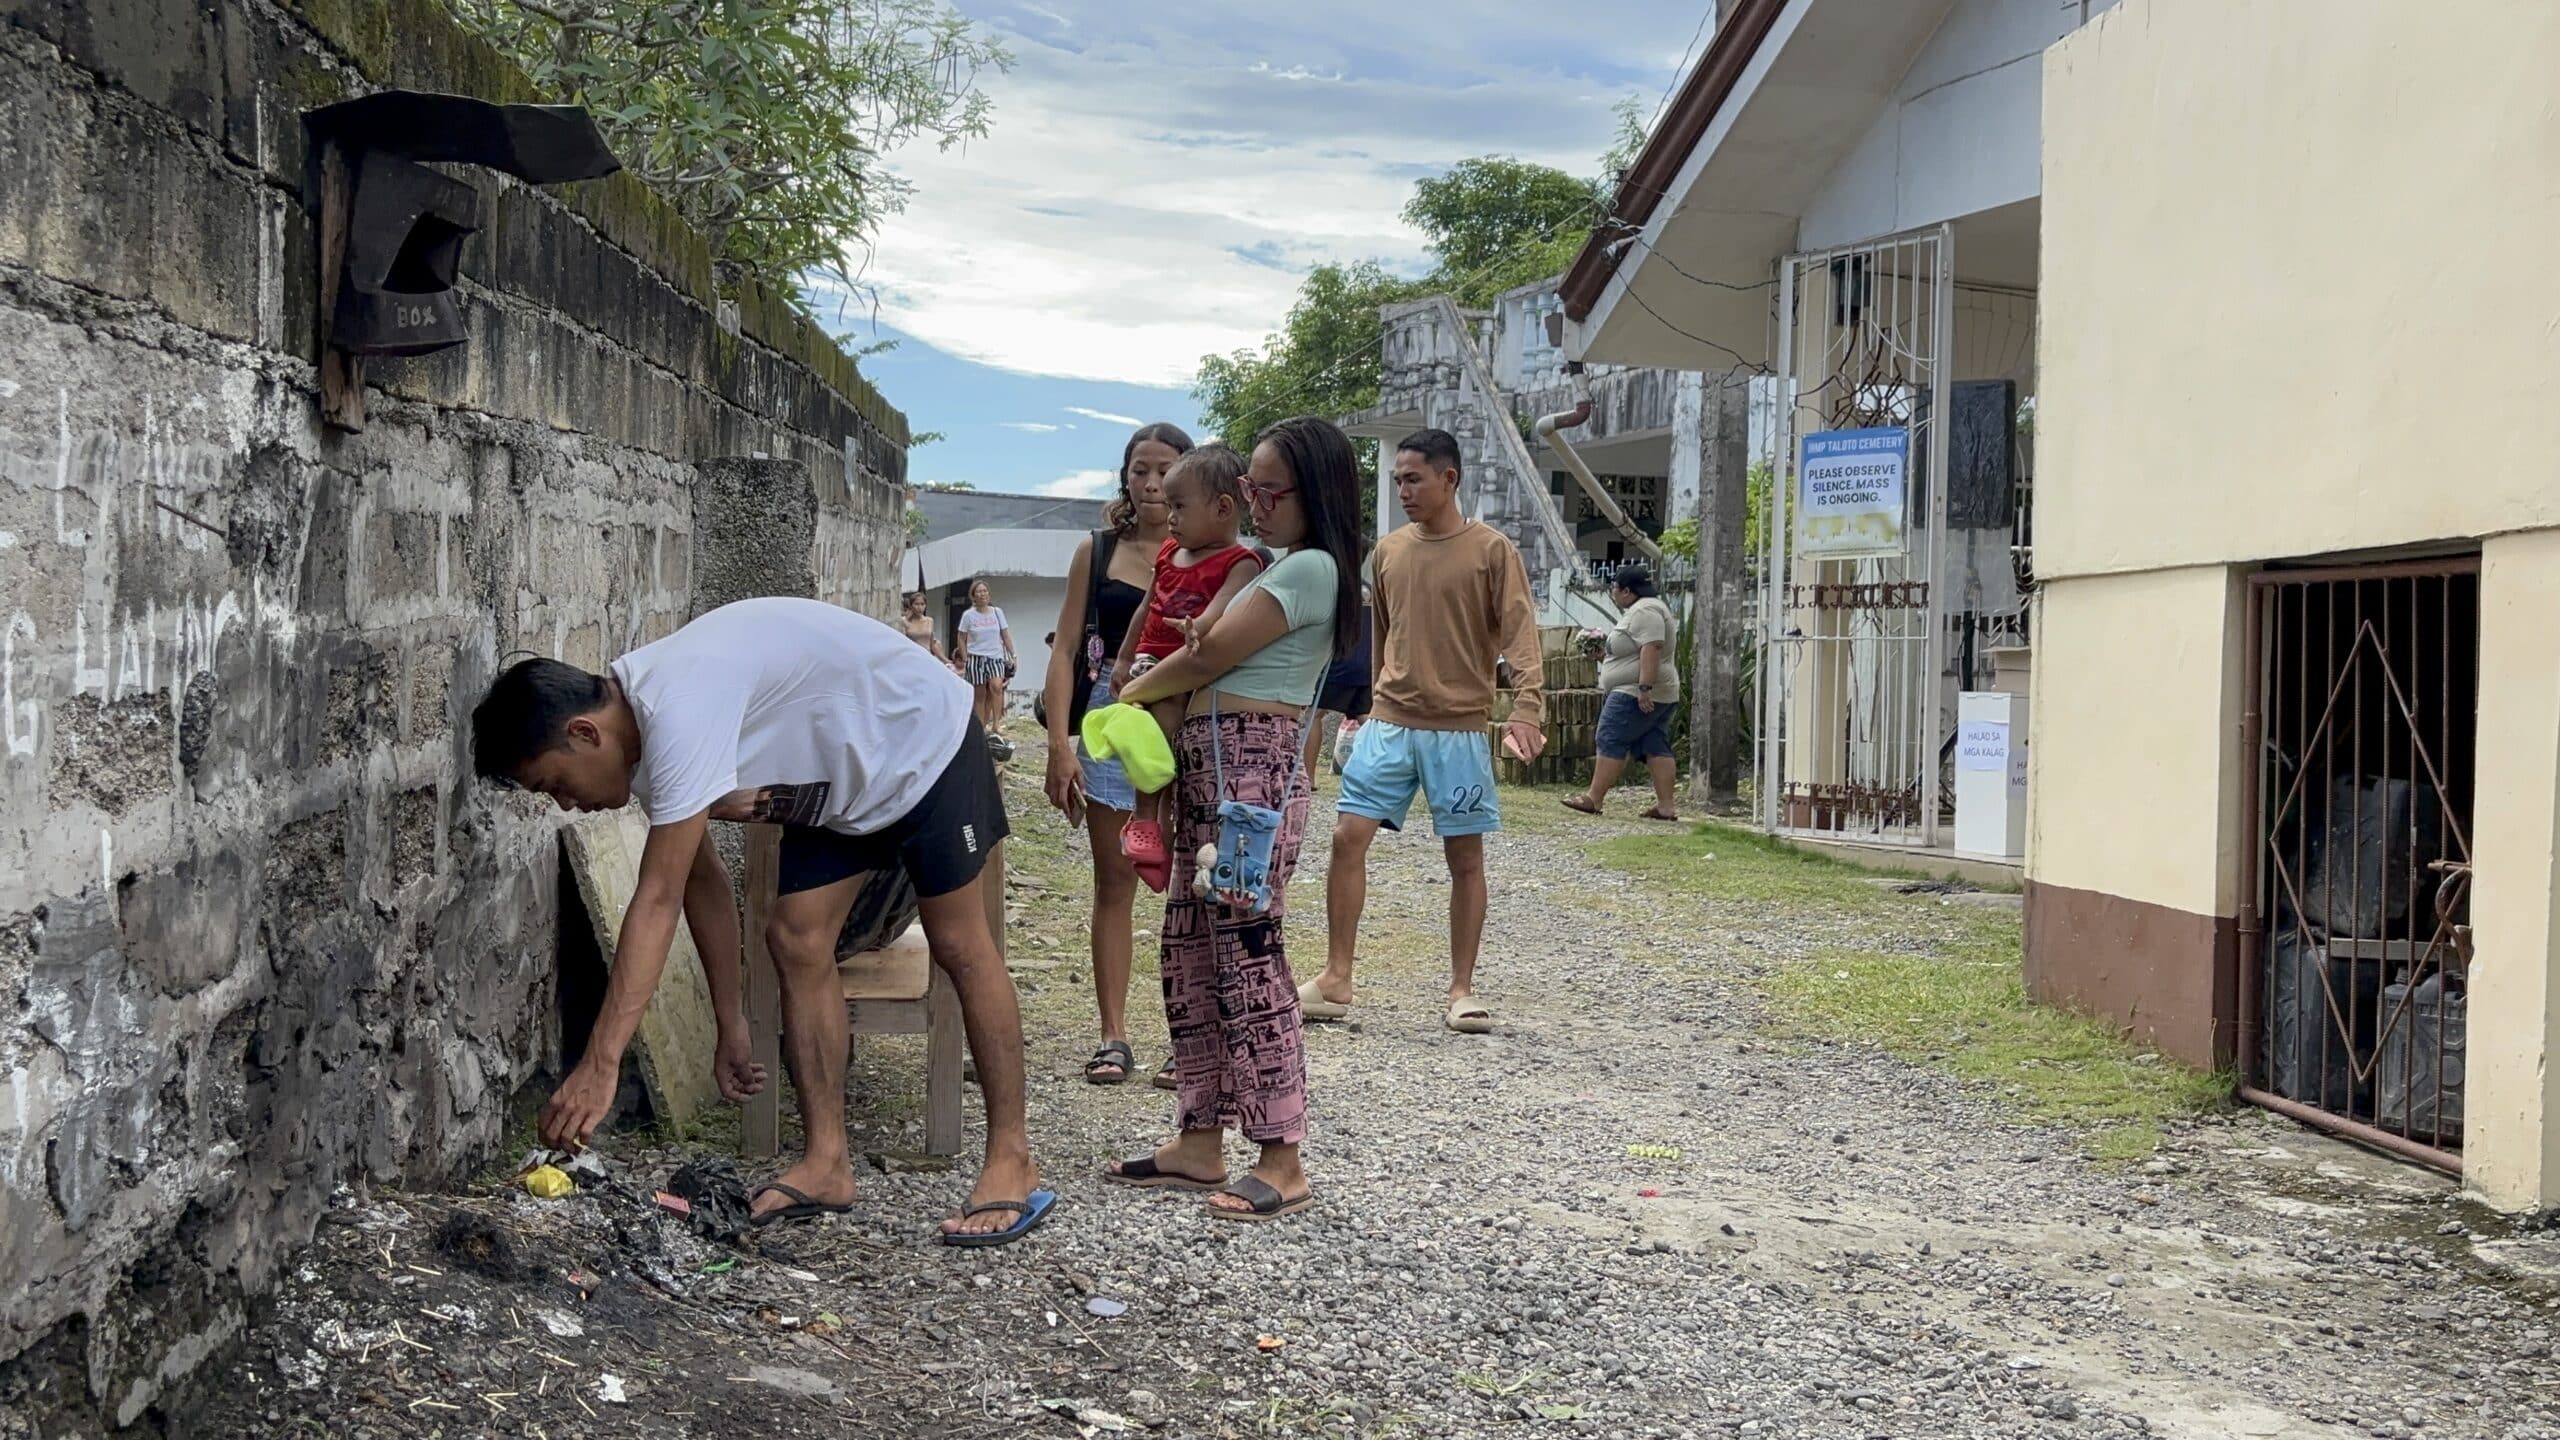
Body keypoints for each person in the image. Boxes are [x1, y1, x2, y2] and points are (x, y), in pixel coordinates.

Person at [468, 598, 1050, 1246]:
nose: (567, 804)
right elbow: (703, 885)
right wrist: (732, 1021)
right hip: (846, 781)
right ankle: (827, 1162)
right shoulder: (648, 742)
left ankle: (1012, 1157)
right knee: (796, 937)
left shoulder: (678, 707)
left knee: (959, 944)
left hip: (922, 738)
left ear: (584, 734)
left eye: (555, 784)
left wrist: (600, 1063)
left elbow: (656, 899)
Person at [1099, 416, 1363, 1222]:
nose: (1255, 502)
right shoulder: (1271, 564)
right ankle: (1199, 1138)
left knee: (1249, 955)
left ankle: (1282, 1157)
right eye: (1251, 487)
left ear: (1313, 492)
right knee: (1190, 951)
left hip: (1251, 770)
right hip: (1210, 767)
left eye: (1268, 488)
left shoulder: (1311, 567)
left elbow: (1211, 656)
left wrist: (1132, 692)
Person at [1308, 428, 1546, 1035]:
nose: (1404, 490)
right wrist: (1369, 702)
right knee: (1346, 838)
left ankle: (1461, 989)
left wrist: (1528, 708)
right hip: (1390, 721)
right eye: (1398, 481)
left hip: (1458, 731)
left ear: (1449, 479)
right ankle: (1336, 977)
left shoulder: (1491, 551)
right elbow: (1382, 636)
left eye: (1414, 479)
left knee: (1464, 858)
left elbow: (1520, 631)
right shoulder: (1387, 552)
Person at [1041, 422, 1191, 1089]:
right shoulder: (1097, 550)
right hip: (1112, 716)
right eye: (1140, 470)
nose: (1152, 483)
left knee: (1190, 884)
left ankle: (1188, 1038)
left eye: (1165, 470)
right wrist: (1059, 746)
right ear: (1124, 477)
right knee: (1116, 880)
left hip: (1185, 714)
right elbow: (1066, 651)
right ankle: (1113, 1035)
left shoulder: (1215, 554)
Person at [1113, 445, 1261, 893]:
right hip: (1151, 662)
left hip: (1193, 666)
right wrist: (1124, 657)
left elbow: (1222, 607)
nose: (1170, 516)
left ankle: (1161, 830)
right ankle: (1145, 820)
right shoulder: (1169, 552)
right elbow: (1146, 607)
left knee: (1175, 743)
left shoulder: (1242, 562)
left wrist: (1199, 626)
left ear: (1223, 509)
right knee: (1153, 731)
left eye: (1179, 506)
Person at [1565, 564, 1684, 822]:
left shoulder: (1646, 610)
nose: (1613, 593)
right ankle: (1666, 807)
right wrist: (1604, 656)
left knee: (1610, 736)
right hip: (1654, 690)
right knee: (1653, 743)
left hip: (1635, 692)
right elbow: (1634, 651)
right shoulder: (1646, 609)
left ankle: (1594, 798)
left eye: (1615, 588)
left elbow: (1651, 648)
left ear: (1627, 591)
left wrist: (1644, 688)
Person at [1308, 582, 1375, 777]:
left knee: (1314, 715)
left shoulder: (1337, 589)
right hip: (1367, 665)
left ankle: (1309, 777)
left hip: (1340, 664)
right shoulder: (1370, 591)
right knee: (1365, 717)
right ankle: (1380, 773)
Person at [956, 580, 1015, 757]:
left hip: (995, 656)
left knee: (996, 687)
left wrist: (1013, 654)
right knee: (980, 694)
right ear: (973, 596)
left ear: (989, 594)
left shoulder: (997, 612)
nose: (982, 594)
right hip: (976, 657)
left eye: (984, 591)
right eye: (978, 592)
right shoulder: (968, 616)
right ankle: (981, 726)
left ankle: (997, 723)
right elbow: (961, 637)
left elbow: (1005, 634)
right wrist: (965, 657)